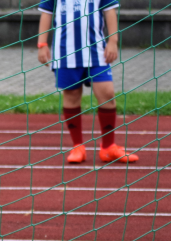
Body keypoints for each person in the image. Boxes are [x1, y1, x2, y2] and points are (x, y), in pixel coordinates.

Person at [37, 0, 138, 163]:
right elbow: (46, 13)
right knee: (71, 95)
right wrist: (42, 44)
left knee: (107, 94)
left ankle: (108, 147)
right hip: (65, 52)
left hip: (97, 51)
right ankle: (78, 147)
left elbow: (110, 11)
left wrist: (113, 41)